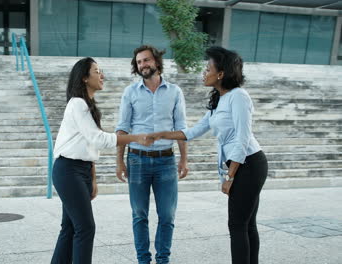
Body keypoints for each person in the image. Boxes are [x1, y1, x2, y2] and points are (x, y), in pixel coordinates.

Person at [151, 46, 268, 264]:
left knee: (237, 225)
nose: (204, 73)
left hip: (249, 164)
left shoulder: (239, 96)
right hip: (242, 164)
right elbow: (194, 130)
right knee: (246, 224)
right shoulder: (218, 101)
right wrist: (162, 134)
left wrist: (230, 177)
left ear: (221, 74)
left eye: (208, 68)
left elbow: (243, 138)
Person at [51, 57, 153, 264]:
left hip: (81, 170)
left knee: (70, 227)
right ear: (85, 78)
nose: (102, 75)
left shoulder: (87, 105)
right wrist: (134, 137)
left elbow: (90, 146)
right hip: (68, 170)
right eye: (97, 71)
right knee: (85, 228)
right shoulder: (77, 104)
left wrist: (93, 178)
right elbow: (98, 139)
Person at [115, 45, 189, 264]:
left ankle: (163, 260)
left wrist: (184, 159)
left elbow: (181, 127)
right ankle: (143, 261)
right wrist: (119, 161)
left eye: (146, 60)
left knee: (167, 215)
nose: (142, 65)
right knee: (139, 214)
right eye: (138, 62)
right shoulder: (130, 92)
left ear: (156, 62)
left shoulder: (175, 91)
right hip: (137, 160)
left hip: (166, 160)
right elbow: (122, 129)